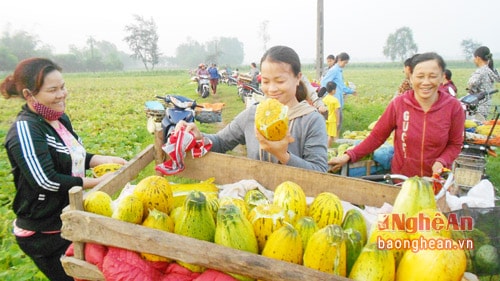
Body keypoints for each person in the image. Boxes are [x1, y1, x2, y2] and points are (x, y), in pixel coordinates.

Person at [1, 58, 127, 280]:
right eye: (53, 90)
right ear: (30, 95)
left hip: (69, 218)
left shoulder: (58, 119)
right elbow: (46, 181)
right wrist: (96, 184)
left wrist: (103, 159)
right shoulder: (25, 130)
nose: (62, 94)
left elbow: (73, 156)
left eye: (63, 87)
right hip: (44, 232)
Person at [175, 45, 328, 172]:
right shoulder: (253, 114)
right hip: (256, 203)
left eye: (280, 81)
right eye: (266, 81)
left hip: (296, 205)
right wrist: (199, 136)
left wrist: (283, 156)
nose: (272, 89)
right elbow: (221, 142)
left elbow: (320, 172)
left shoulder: (311, 120)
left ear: (298, 78)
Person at [329, 52, 465, 178]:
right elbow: (377, 136)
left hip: (436, 181)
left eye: (433, 76)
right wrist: (349, 155)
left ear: (442, 77)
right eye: (420, 76)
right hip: (402, 181)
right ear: (411, 77)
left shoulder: (453, 107)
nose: (426, 82)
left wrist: (442, 161)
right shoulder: (399, 104)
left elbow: (455, 144)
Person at [319, 52, 357, 135]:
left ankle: (333, 140)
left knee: (337, 122)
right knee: (335, 121)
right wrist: (328, 95)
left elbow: (342, 86)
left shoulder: (339, 71)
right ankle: (331, 140)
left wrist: (351, 91)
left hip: (338, 100)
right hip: (333, 100)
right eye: (345, 62)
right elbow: (324, 82)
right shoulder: (334, 70)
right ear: (339, 60)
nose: (345, 65)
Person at [467, 46, 500, 118]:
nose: (474, 60)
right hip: (486, 106)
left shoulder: (481, 71)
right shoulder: (491, 70)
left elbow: (471, 84)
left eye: (474, 58)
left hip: (476, 107)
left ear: (478, 58)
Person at [322, 81, 340, 147]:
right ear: (333, 90)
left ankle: (324, 147)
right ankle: (328, 148)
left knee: (325, 134)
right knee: (330, 135)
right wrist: (338, 121)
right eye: (335, 89)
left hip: (325, 119)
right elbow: (336, 112)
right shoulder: (335, 100)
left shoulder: (324, 99)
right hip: (332, 120)